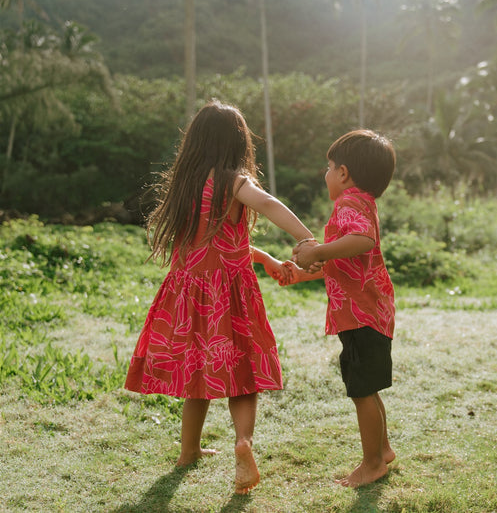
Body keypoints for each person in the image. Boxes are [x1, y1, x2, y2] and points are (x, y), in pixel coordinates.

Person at [124, 100, 315, 495]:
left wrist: (261, 256)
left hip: (187, 298)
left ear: (195, 141)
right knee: (241, 375)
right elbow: (268, 203)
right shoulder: (234, 180)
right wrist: (305, 238)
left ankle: (188, 452)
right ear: (238, 142)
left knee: (198, 374)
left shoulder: (186, 184)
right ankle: (242, 441)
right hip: (230, 296)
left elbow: (209, 246)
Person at [285, 129, 396, 488]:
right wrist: (305, 272)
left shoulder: (349, 204)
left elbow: (362, 240)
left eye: (329, 167)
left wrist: (317, 251)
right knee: (369, 385)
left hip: (362, 313)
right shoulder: (362, 202)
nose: (326, 173)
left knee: (361, 388)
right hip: (368, 310)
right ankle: (384, 449)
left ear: (344, 173)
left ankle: (373, 463)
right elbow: (348, 260)